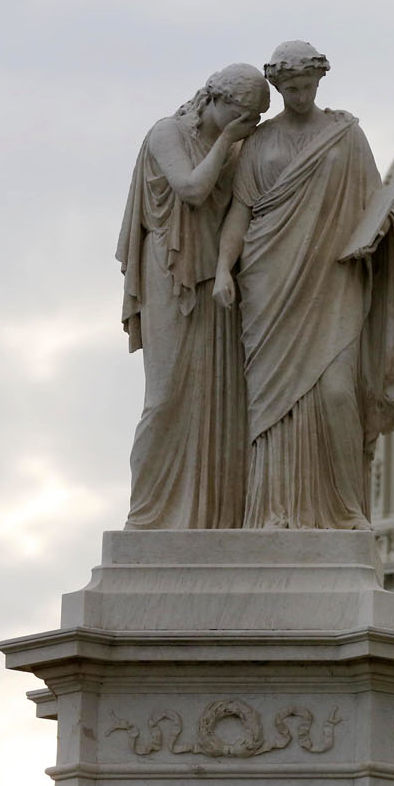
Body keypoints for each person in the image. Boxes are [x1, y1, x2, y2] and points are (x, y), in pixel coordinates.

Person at [214, 41, 394, 529]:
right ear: (278, 88)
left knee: (337, 393)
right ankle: (273, 511)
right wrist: (223, 269)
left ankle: (346, 509)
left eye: (306, 86)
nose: (299, 95)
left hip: (334, 276)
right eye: (290, 89)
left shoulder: (345, 135)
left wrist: (375, 237)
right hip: (269, 281)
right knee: (272, 405)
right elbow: (240, 212)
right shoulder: (258, 142)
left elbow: (374, 204)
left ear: (320, 82)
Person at [118, 63, 270, 529]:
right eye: (244, 116)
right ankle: (148, 516)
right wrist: (228, 142)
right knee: (165, 397)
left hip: (218, 280)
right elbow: (192, 189)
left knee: (217, 402)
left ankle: (212, 518)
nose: (249, 127)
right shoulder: (167, 132)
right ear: (215, 100)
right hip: (171, 270)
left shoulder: (240, 146)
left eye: (256, 121)